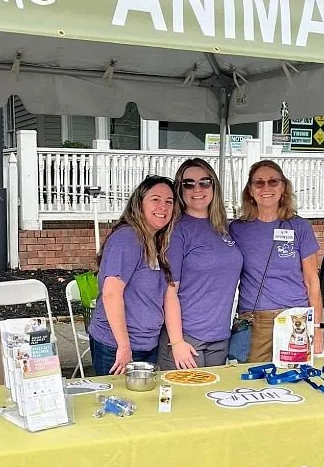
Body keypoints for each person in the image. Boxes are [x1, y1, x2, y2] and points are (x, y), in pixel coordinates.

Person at [229, 160, 324, 362]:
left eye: (273, 182)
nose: (266, 188)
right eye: (259, 182)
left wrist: (317, 327)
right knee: (253, 383)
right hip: (255, 321)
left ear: (283, 187)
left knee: (295, 383)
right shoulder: (237, 229)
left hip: (295, 319)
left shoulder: (300, 226)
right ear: (250, 191)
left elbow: (312, 281)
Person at [159, 159, 243, 369]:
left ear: (214, 185)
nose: (197, 189)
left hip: (220, 336)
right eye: (188, 184)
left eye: (204, 182)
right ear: (180, 189)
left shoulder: (224, 227)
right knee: (187, 400)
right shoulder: (177, 231)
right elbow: (169, 291)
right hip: (187, 337)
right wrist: (177, 342)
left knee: (212, 399)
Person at [88, 176, 176, 376]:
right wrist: (124, 346)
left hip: (147, 344)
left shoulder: (156, 242)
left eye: (169, 201)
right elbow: (111, 293)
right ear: (139, 203)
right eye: (155, 199)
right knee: (117, 403)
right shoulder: (127, 238)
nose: (163, 206)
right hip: (116, 346)